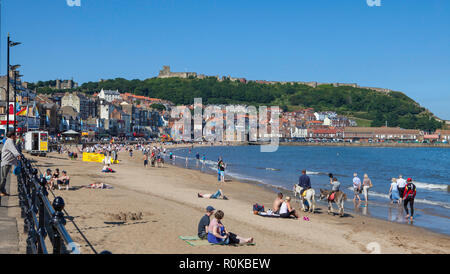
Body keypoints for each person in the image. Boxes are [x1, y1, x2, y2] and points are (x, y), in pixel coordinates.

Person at [0, 131, 21, 196]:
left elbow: (15, 148)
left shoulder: (10, 141)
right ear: (12, 136)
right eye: (14, 135)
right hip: (6, 162)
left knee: (4, 177)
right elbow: (13, 149)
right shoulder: (10, 141)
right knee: (3, 177)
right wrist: (18, 155)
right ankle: (1, 191)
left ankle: (3, 191)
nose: (15, 136)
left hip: (7, 162)